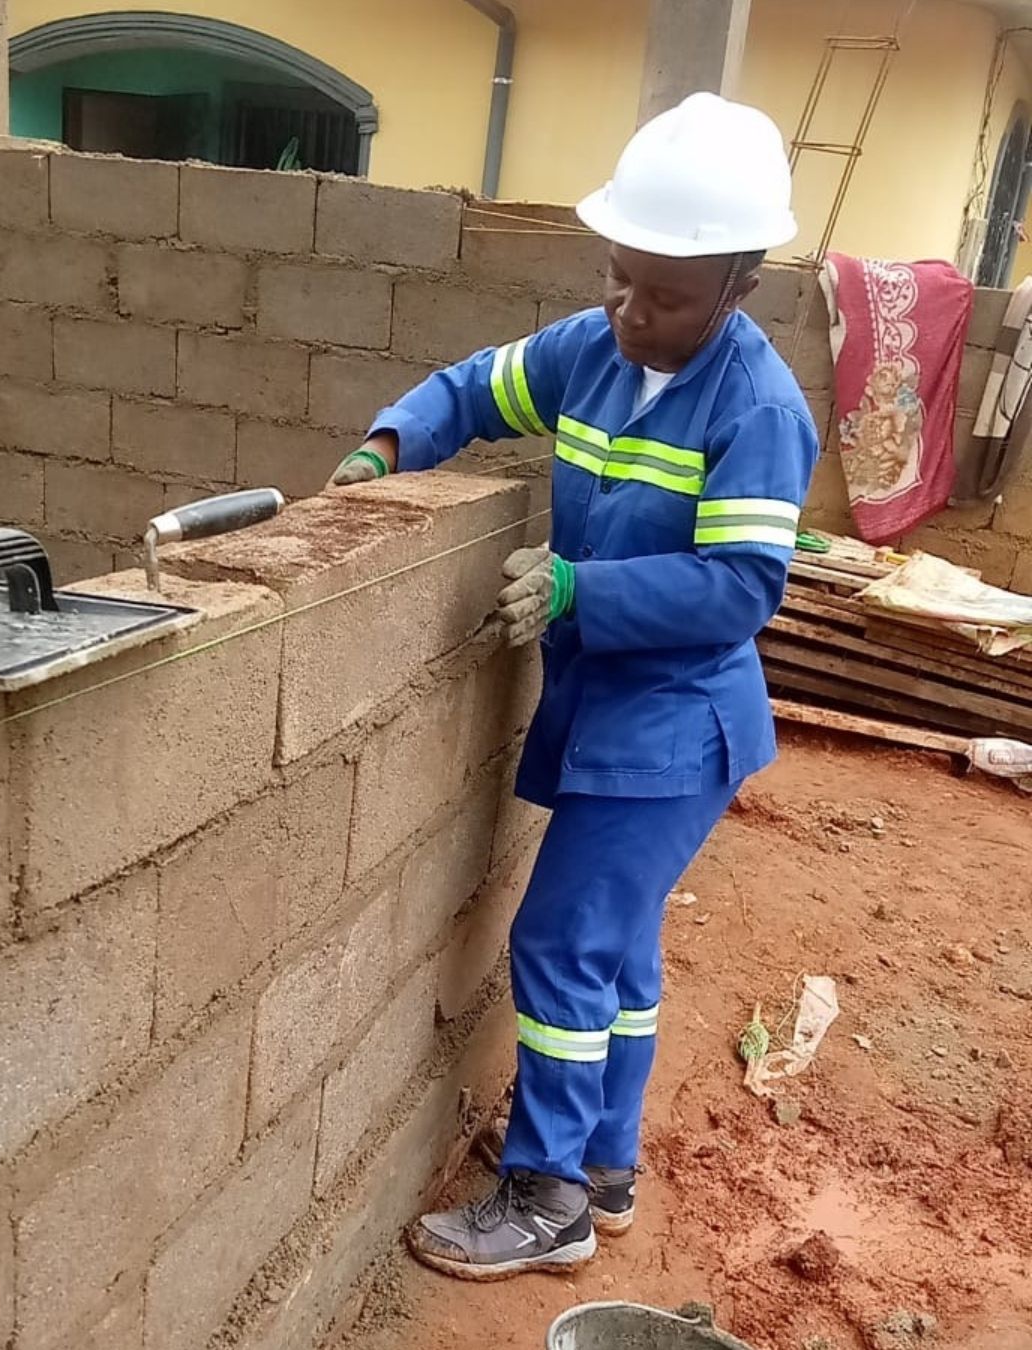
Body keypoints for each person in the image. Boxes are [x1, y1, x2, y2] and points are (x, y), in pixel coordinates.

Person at [327, 92, 819, 1281]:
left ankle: (543, 1197)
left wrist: (574, 590)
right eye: (620, 278)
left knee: (558, 939)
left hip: (676, 728)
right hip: (611, 712)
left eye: (667, 295)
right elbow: (471, 389)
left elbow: (739, 588)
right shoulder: (591, 353)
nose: (632, 310)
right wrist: (387, 446)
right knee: (619, 949)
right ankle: (603, 1165)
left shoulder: (757, 408)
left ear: (740, 285)